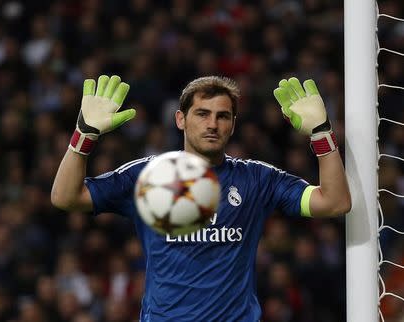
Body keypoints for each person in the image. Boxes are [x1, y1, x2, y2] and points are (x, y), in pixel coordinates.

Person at [51, 74, 351, 321]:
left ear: (233, 124)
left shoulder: (258, 179)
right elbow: (65, 197)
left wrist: (321, 134)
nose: (212, 124)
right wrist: (84, 135)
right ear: (180, 119)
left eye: (223, 116)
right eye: (202, 114)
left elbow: (334, 203)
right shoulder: (148, 175)